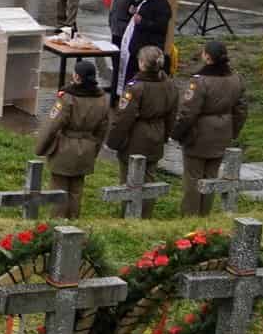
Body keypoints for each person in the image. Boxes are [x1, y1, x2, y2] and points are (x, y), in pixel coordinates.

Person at [172, 39, 247, 215]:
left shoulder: (199, 81)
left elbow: (188, 113)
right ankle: (205, 216)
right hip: (222, 134)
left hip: (199, 136)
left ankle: (190, 217)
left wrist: (177, 133)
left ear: (207, 56)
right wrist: (232, 132)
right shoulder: (237, 79)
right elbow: (241, 110)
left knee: (193, 179)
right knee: (211, 177)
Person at [106, 45, 177, 216]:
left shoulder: (135, 87)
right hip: (157, 134)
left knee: (129, 179)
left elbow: (123, 118)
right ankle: (146, 215)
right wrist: (165, 135)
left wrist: (113, 142)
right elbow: (172, 114)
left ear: (142, 63)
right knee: (149, 177)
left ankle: (129, 214)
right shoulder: (169, 85)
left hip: (136, 136)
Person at [36, 60, 111, 218]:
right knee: (77, 190)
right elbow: (102, 130)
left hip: (64, 148)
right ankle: (73, 222)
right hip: (86, 148)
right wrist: (94, 151)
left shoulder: (67, 98)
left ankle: (57, 224)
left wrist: (40, 148)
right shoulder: (102, 99)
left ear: (77, 77)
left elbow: (52, 125)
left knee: (59, 190)